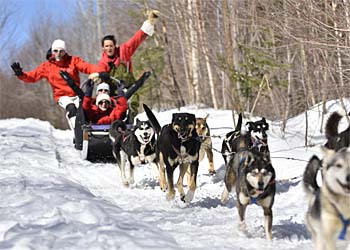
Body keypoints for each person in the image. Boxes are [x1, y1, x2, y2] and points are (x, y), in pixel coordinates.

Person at [10, 39, 103, 130]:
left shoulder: (73, 61)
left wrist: (100, 72)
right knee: (72, 108)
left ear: (65, 52)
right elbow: (33, 76)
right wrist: (21, 75)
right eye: (55, 51)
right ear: (52, 51)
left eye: (61, 51)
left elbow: (86, 67)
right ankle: (77, 133)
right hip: (62, 96)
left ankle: (89, 133)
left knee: (84, 111)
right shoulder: (47, 66)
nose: (58, 53)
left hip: (76, 93)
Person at [89, 10, 160, 123]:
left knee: (132, 101)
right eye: (106, 46)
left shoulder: (124, 51)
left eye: (111, 46)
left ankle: (131, 118)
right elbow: (101, 73)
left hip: (129, 86)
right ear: (103, 48)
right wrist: (99, 76)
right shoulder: (103, 62)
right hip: (114, 92)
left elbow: (137, 39)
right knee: (113, 105)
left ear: (114, 46)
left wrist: (150, 22)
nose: (109, 48)